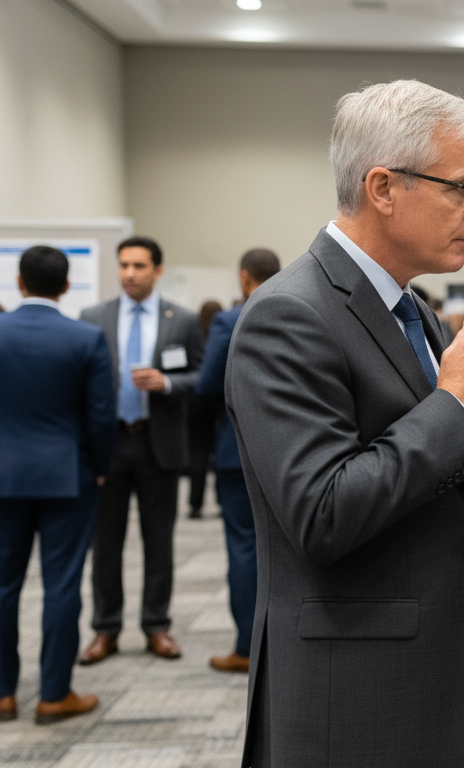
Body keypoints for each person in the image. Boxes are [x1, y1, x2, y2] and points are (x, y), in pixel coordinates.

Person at [224, 80, 464, 767]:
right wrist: (455, 406)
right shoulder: (289, 315)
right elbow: (322, 511)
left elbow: (415, 462)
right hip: (354, 699)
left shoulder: (412, 309)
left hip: (431, 679)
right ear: (384, 187)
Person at [0, 247, 116, 724]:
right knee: (62, 585)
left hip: (3, 476)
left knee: (2, 586)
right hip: (67, 476)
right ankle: (53, 694)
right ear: (66, 286)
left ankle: (3, 694)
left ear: (19, 282)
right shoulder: (86, 338)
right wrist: (102, 466)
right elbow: (101, 415)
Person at [79, 236, 204, 666]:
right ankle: (105, 629)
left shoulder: (182, 320)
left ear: (157, 270)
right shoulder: (93, 317)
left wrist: (167, 383)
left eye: (139, 266)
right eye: (124, 265)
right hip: (109, 443)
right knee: (106, 542)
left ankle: (157, 625)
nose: (130, 273)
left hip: (158, 441)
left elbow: (203, 376)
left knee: (158, 541)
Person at [196, 248, 282, 675]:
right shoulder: (300, 307)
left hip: (236, 451)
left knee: (244, 548)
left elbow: (208, 384)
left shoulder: (229, 321)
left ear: (245, 277)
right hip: (291, 449)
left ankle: (247, 647)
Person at [186, 299, 224, 519]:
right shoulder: (219, 334)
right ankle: (220, 500)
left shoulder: (197, 334)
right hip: (216, 403)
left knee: (197, 454)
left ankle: (195, 503)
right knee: (218, 453)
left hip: (195, 403)